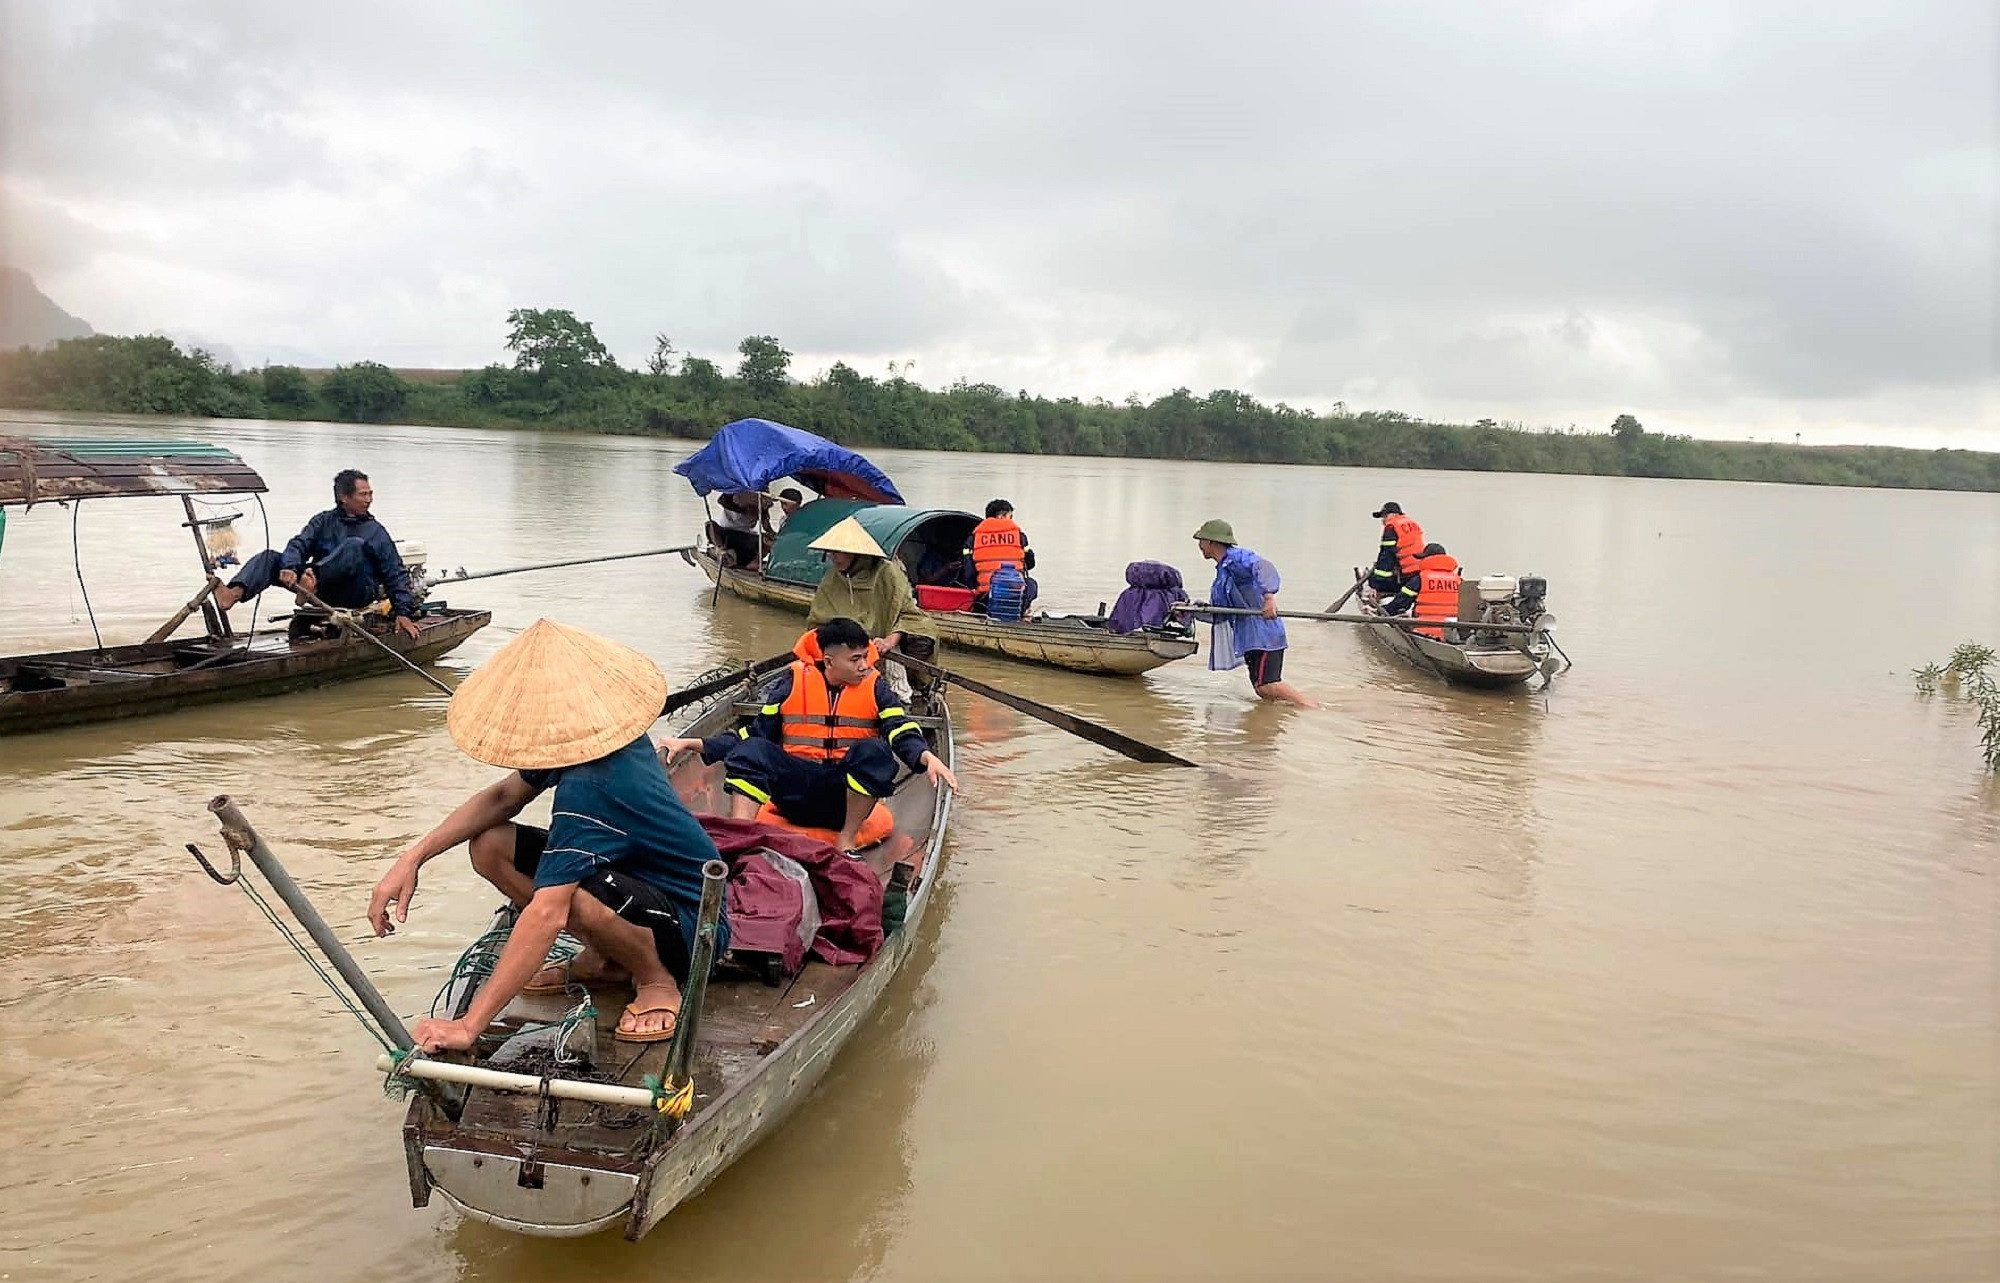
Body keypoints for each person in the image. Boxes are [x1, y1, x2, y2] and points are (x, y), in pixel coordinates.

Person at [365, 618, 724, 1049]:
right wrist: (413, 857)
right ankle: (608, 958)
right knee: (490, 843)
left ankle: (656, 980)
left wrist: (469, 1025)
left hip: (691, 923)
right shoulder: (592, 740)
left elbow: (547, 911)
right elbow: (502, 798)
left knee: (564, 894)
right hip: (634, 887)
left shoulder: (592, 788)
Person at [660, 618, 958, 860]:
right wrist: (694, 744)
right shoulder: (791, 681)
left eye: (865, 657)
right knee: (753, 750)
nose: (864, 665)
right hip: (795, 791)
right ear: (829, 661)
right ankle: (740, 839)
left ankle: (845, 841)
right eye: (855, 659)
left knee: (877, 751)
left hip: (843, 799)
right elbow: (754, 734)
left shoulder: (875, 687)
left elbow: (899, 727)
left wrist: (925, 755)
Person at [215, 468, 420, 640]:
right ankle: (232, 595)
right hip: (318, 589)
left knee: (354, 546)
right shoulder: (323, 521)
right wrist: (290, 567)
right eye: (363, 494)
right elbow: (299, 544)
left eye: (370, 494)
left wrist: (403, 613)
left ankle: (312, 581)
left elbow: (395, 573)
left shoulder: (376, 532)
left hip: (355, 592)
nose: (369, 500)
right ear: (344, 498)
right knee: (269, 557)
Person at [1191, 519, 1318, 709]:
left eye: (1201, 541)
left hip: (1264, 635)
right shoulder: (1222, 573)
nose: (1199, 546)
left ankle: (1314, 708)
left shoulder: (1237, 559)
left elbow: (1263, 566)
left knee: (1268, 685)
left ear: (1212, 542)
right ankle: (1284, 718)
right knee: (1261, 689)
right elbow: (1224, 614)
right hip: (1250, 639)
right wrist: (1193, 612)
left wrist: (1269, 597)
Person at [805, 516, 939, 683]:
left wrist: (889, 641)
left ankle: (914, 686)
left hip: (883, 641)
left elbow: (909, 615)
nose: (833, 557)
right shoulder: (832, 577)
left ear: (855, 553)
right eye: (831, 552)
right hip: (844, 647)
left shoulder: (886, 573)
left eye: (838, 552)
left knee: (925, 630)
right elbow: (817, 622)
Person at [963, 498, 1038, 614]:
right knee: (1031, 584)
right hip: (1015, 597)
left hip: (986, 598)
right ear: (1001, 516)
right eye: (1010, 516)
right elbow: (1030, 564)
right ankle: (1020, 612)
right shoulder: (1019, 536)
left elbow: (968, 573)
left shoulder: (973, 538)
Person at [1381, 542, 1462, 639]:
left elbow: (1401, 602)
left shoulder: (1420, 579)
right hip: (1454, 632)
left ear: (1428, 559)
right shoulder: (1458, 580)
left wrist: (1383, 611)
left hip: (1425, 630)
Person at [1367, 501, 1426, 598]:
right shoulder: (1412, 524)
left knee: (1379, 580)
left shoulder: (1391, 527)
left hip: (1405, 574)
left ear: (1393, 514)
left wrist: (1375, 583)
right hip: (1420, 572)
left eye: (1385, 516)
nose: (1383, 520)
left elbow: (1386, 557)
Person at [709, 490, 767, 569]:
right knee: (710, 525)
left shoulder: (760, 507)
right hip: (727, 534)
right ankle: (721, 550)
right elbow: (722, 500)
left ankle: (755, 562)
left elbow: (767, 527)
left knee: (767, 540)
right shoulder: (731, 502)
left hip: (747, 537)